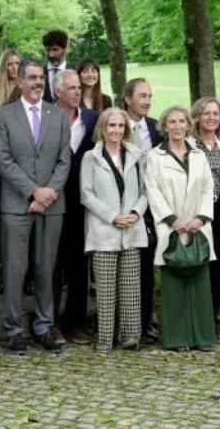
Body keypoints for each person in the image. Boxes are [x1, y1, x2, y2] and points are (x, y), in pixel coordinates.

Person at [0, 59, 71, 353]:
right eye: (32, 78)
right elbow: (4, 161)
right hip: (17, 204)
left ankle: (44, 325)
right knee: (15, 269)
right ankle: (14, 329)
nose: (38, 82)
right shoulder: (4, 116)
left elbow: (65, 159)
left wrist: (49, 191)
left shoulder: (58, 115)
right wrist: (33, 192)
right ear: (20, 82)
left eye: (41, 78)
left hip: (52, 204)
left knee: (46, 268)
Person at [146, 106, 217, 351]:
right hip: (171, 227)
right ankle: (177, 338)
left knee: (199, 283)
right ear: (164, 126)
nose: (177, 126)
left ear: (188, 125)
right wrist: (172, 220)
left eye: (181, 121)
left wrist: (201, 218)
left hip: (198, 226)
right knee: (174, 285)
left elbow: (209, 188)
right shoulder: (155, 157)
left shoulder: (198, 154)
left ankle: (202, 337)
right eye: (172, 122)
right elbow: (152, 191)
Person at [80, 108, 146, 354]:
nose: (116, 130)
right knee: (106, 291)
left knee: (130, 290)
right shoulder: (91, 157)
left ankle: (130, 337)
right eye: (111, 126)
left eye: (120, 126)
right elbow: (86, 194)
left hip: (131, 229)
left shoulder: (136, 155)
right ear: (103, 129)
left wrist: (136, 213)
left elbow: (144, 192)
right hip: (104, 231)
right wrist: (112, 217)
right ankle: (106, 340)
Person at [52, 69, 98, 344]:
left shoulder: (92, 120)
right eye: (70, 88)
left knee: (81, 266)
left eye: (78, 87)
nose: (76, 92)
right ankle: (51, 322)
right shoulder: (46, 118)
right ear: (58, 91)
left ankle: (75, 322)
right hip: (53, 202)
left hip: (85, 203)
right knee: (53, 265)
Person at [122, 77, 162, 342]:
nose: (147, 101)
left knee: (147, 267)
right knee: (126, 267)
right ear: (128, 99)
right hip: (124, 205)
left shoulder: (156, 128)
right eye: (142, 96)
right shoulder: (116, 124)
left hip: (152, 205)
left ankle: (146, 321)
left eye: (149, 96)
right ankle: (124, 323)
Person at [190, 97, 220, 325]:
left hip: (219, 215)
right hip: (195, 214)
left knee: (216, 268)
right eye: (206, 113)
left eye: (215, 113)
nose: (211, 118)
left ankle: (211, 318)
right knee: (196, 265)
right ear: (197, 116)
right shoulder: (188, 145)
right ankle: (193, 318)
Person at [41, 30, 69, 103]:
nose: (51, 55)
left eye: (55, 50)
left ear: (65, 50)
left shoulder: (76, 72)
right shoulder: (39, 73)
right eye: (47, 50)